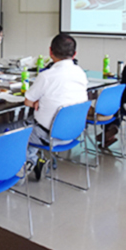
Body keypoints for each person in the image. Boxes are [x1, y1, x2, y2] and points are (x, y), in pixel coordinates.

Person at [24, 34, 88, 180]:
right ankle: (34, 159)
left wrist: (37, 102)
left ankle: (33, 161)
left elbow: (28, 101)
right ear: (75, 54)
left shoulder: (47, 76)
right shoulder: (80, 73)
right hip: (73, 133)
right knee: (31, 124)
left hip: (48, 135)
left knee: (1, 131)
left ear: (50, 52)